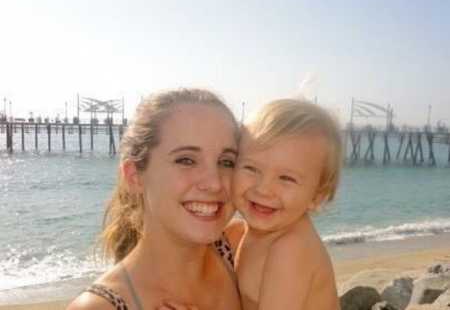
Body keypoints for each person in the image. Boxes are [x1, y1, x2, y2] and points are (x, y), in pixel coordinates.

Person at [67, 88, 242, 310]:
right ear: (134, 176)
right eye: (186, 160)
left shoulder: (242, 252)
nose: (215, 183)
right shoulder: (100, 307)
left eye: (227, 162)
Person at [230, 98, 342, 310]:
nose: (263, 189)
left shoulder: (290, 251)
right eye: (251, 169)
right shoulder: (241, 231)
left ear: (317, 196)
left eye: (286, 178)